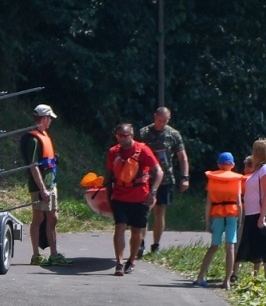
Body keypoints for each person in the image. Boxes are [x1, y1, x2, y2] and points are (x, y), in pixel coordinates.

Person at [105, 123, 162, 276]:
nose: (120, 139)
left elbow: (159, 172)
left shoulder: (143, 150)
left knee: (136, 232)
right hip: (119, 195)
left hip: (139, 196)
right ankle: (119, 262)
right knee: (120, 227)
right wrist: (107, 196)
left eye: (124, 136)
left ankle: (131, 260)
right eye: (118, 136)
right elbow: (109, 176)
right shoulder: (113, 152)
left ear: (131, 135)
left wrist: (153, 192)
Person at [139, 107, 189, 255]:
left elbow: (182, 157)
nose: (161, 124)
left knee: (160, 212)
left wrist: (185, 177)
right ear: (154, 117)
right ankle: (140, 243)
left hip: (166, 179)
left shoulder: (173, 134)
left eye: (164, 121)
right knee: (143, 211)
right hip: (146, 178)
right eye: (159, 120)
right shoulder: (143, 133)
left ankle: (156, 245)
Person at [22, 104, 67, 265]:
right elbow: (33, 166)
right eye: (49, 118)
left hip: (50, 184)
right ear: (44, 118)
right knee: (38, 218)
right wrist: (42, 189)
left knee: (53, 218)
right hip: (40, 187)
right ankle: (36, 254)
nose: (50, 122)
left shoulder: (44, 135)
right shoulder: (33, 139)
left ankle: (54, 254)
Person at [236, 139, 266, 280]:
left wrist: (262, 217)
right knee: (255, 245)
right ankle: (258, 278)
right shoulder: (262, 170)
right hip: (255, 212)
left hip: (263, 212)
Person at [195, 153, 244, 288]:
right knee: (230, 247)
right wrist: (240, 220)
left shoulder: (213, 178)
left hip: (217, 215)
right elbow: (239, 203)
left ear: (218, 164)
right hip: (231, 215)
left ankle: (200, 277)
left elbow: (208, 204)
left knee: (214, 246)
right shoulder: (236, 179)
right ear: (232, 165)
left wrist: (207, 223)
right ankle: (227, 281)